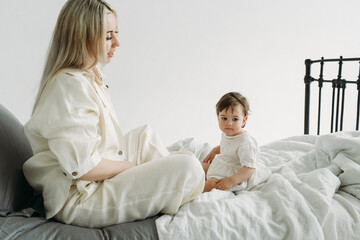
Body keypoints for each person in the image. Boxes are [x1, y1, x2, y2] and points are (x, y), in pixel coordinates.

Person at [23, 0, 204, 228]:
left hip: (88, 180)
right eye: (108, 36)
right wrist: (129, 167)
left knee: (143, 137)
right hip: (80, 198)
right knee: (188, 167)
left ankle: (185, 184)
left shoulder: (88, 76)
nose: (117, 43)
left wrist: (130, 165)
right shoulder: (68, 86)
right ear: (83, 37)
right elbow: (84, 168)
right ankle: (194, 184)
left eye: (115, 34)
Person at [202, 92, 270, 193]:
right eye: (224, 118)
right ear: (218, 117)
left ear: (243, 120)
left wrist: (230, 181)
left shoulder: (245, 142)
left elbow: (249, 168)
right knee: (201, 166)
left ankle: (191, 194)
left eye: (235, 119)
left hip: (238, 173)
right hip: (226, 164)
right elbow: (227, 146)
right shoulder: (227, 133)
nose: (229, 123)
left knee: (211, 184)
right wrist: (214, 152)